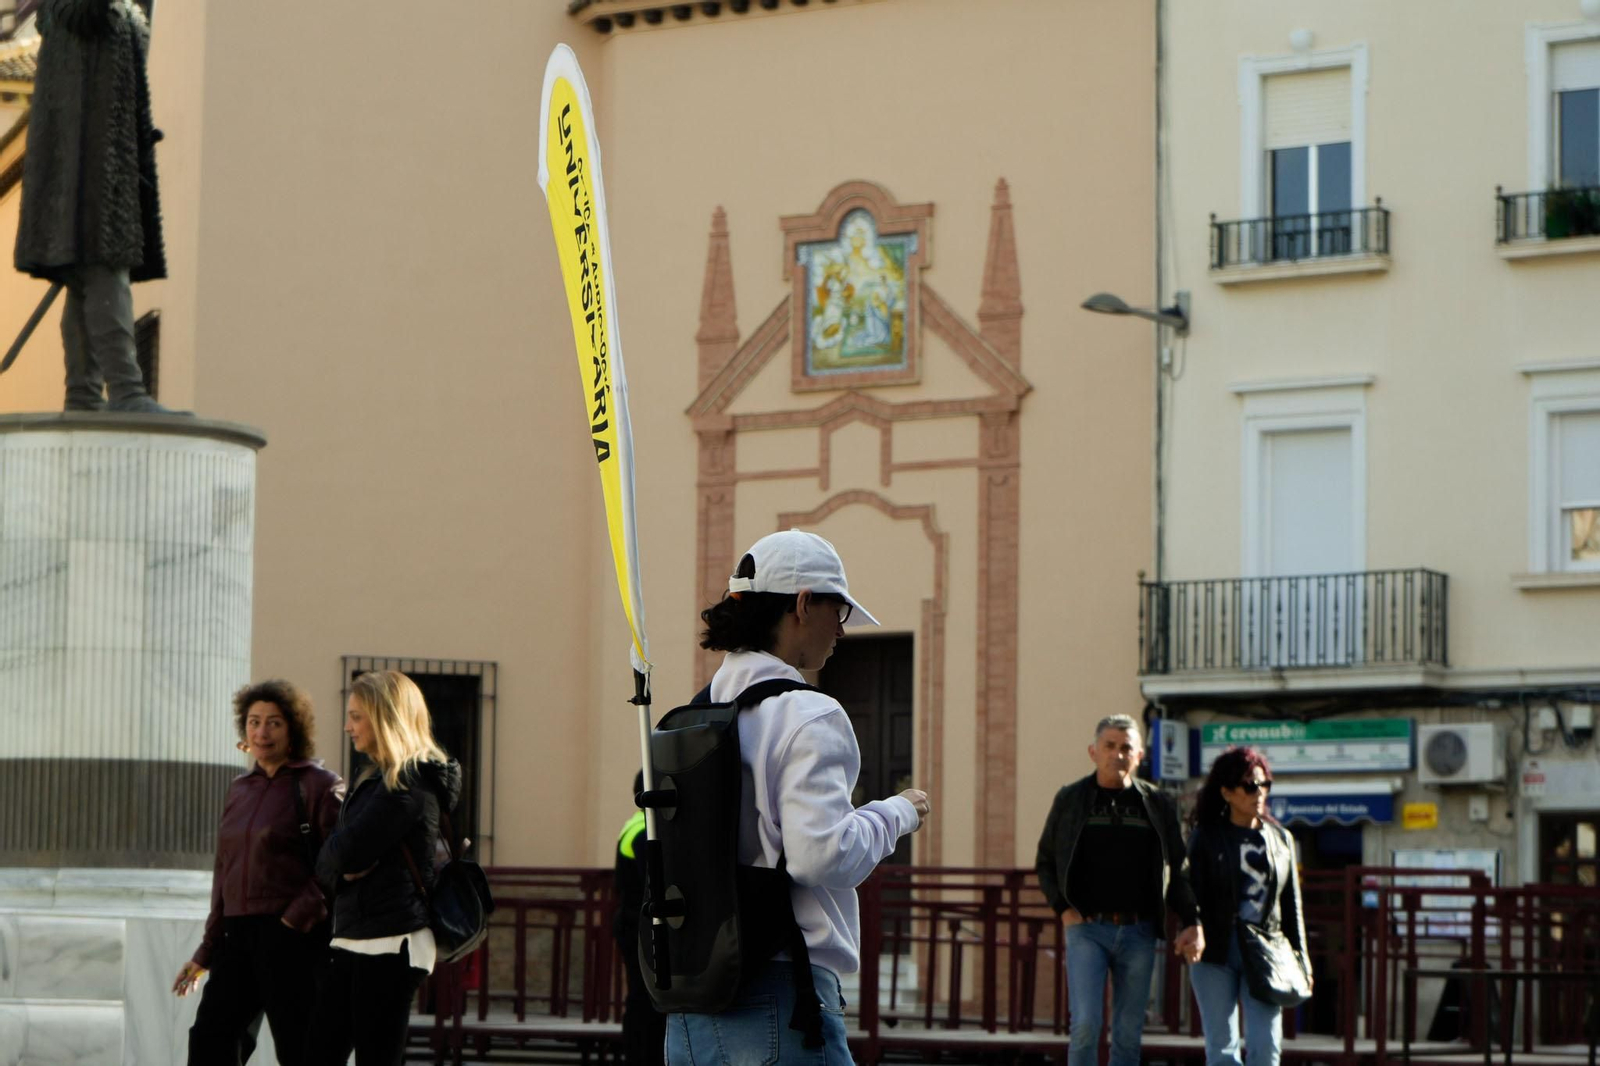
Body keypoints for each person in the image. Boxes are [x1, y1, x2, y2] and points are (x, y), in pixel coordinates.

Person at [665, 528, 930, 1065]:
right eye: (841, 611)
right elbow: (822, 857)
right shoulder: (810, 713)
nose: (842, 631)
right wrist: (895, 814)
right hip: (781, 991)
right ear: (804, 604)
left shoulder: (695, 713)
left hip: (690, 995)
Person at [13, 0, 182, 414]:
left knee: (87, 275)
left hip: (106, 157)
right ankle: (125, 390)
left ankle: (84, 395)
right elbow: (83, 15)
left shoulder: (126, 12)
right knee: (104, 268)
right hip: (83, 159)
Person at [173, 680, 344, 1065]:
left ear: (293, 730)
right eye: (254, 722)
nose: (261, 732)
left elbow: (336, 865)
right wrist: (207, 950)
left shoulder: (320, 785)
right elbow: (224, 872)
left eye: (274, 723)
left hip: (292, 938)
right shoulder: (240, 789)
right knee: (210, 1042)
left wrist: (292, 920)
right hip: (237, 937)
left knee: (300, 1049)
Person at [308, 670, 462, 1066]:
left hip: (393, 941)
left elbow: (342, 853)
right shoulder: (379, 781)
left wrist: (334, 867)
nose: (348, 727)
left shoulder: (408, 785)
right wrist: (335, 869)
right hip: (354, 937)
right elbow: (332, 860)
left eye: (357, 716)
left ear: (385, 717)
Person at [1034, 714, 1203, 1066]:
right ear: (1093, 752)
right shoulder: (1071, 799)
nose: (1118, 754)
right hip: (1087, 929)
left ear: (1139, 755)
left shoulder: (1157, 804)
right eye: (1110, 746)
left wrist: (1192, 919)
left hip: (1139, 930)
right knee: (1085, 1025)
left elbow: (1178, 865)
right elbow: (1046, 861)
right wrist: (1062, 909)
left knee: (1128, 1033)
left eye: (1126, 747)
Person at [1185, 747, 1308, 1066]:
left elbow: (1291, 904)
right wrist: (1191, 926)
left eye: (1264, 784)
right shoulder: (1206, 836)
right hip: (1215, 951)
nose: (1259, 793)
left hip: (1266, 951)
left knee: (1266, 1048)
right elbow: (1189, 890)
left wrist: (1302, 961)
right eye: (1250, 786)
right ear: (1226, 792)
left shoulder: (1281, 839)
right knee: (1222, 1049)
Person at [613, 770, 665, 1066]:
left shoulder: (636, 824)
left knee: (640, 999)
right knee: (647, 1001)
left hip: (631, 922)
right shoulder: (646, 831)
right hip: (640, 926)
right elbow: (654, 881)